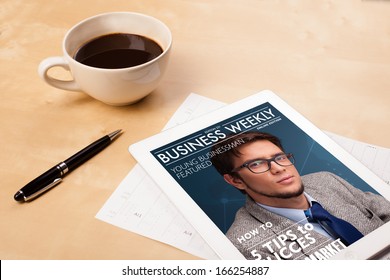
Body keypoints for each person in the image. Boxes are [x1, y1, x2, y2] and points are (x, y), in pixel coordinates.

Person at [210, 131, 390, 260]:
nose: (279, 168)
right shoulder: (243, 245)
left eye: (280, 158)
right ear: (235, 180)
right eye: (256, 164)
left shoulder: (326, 179)